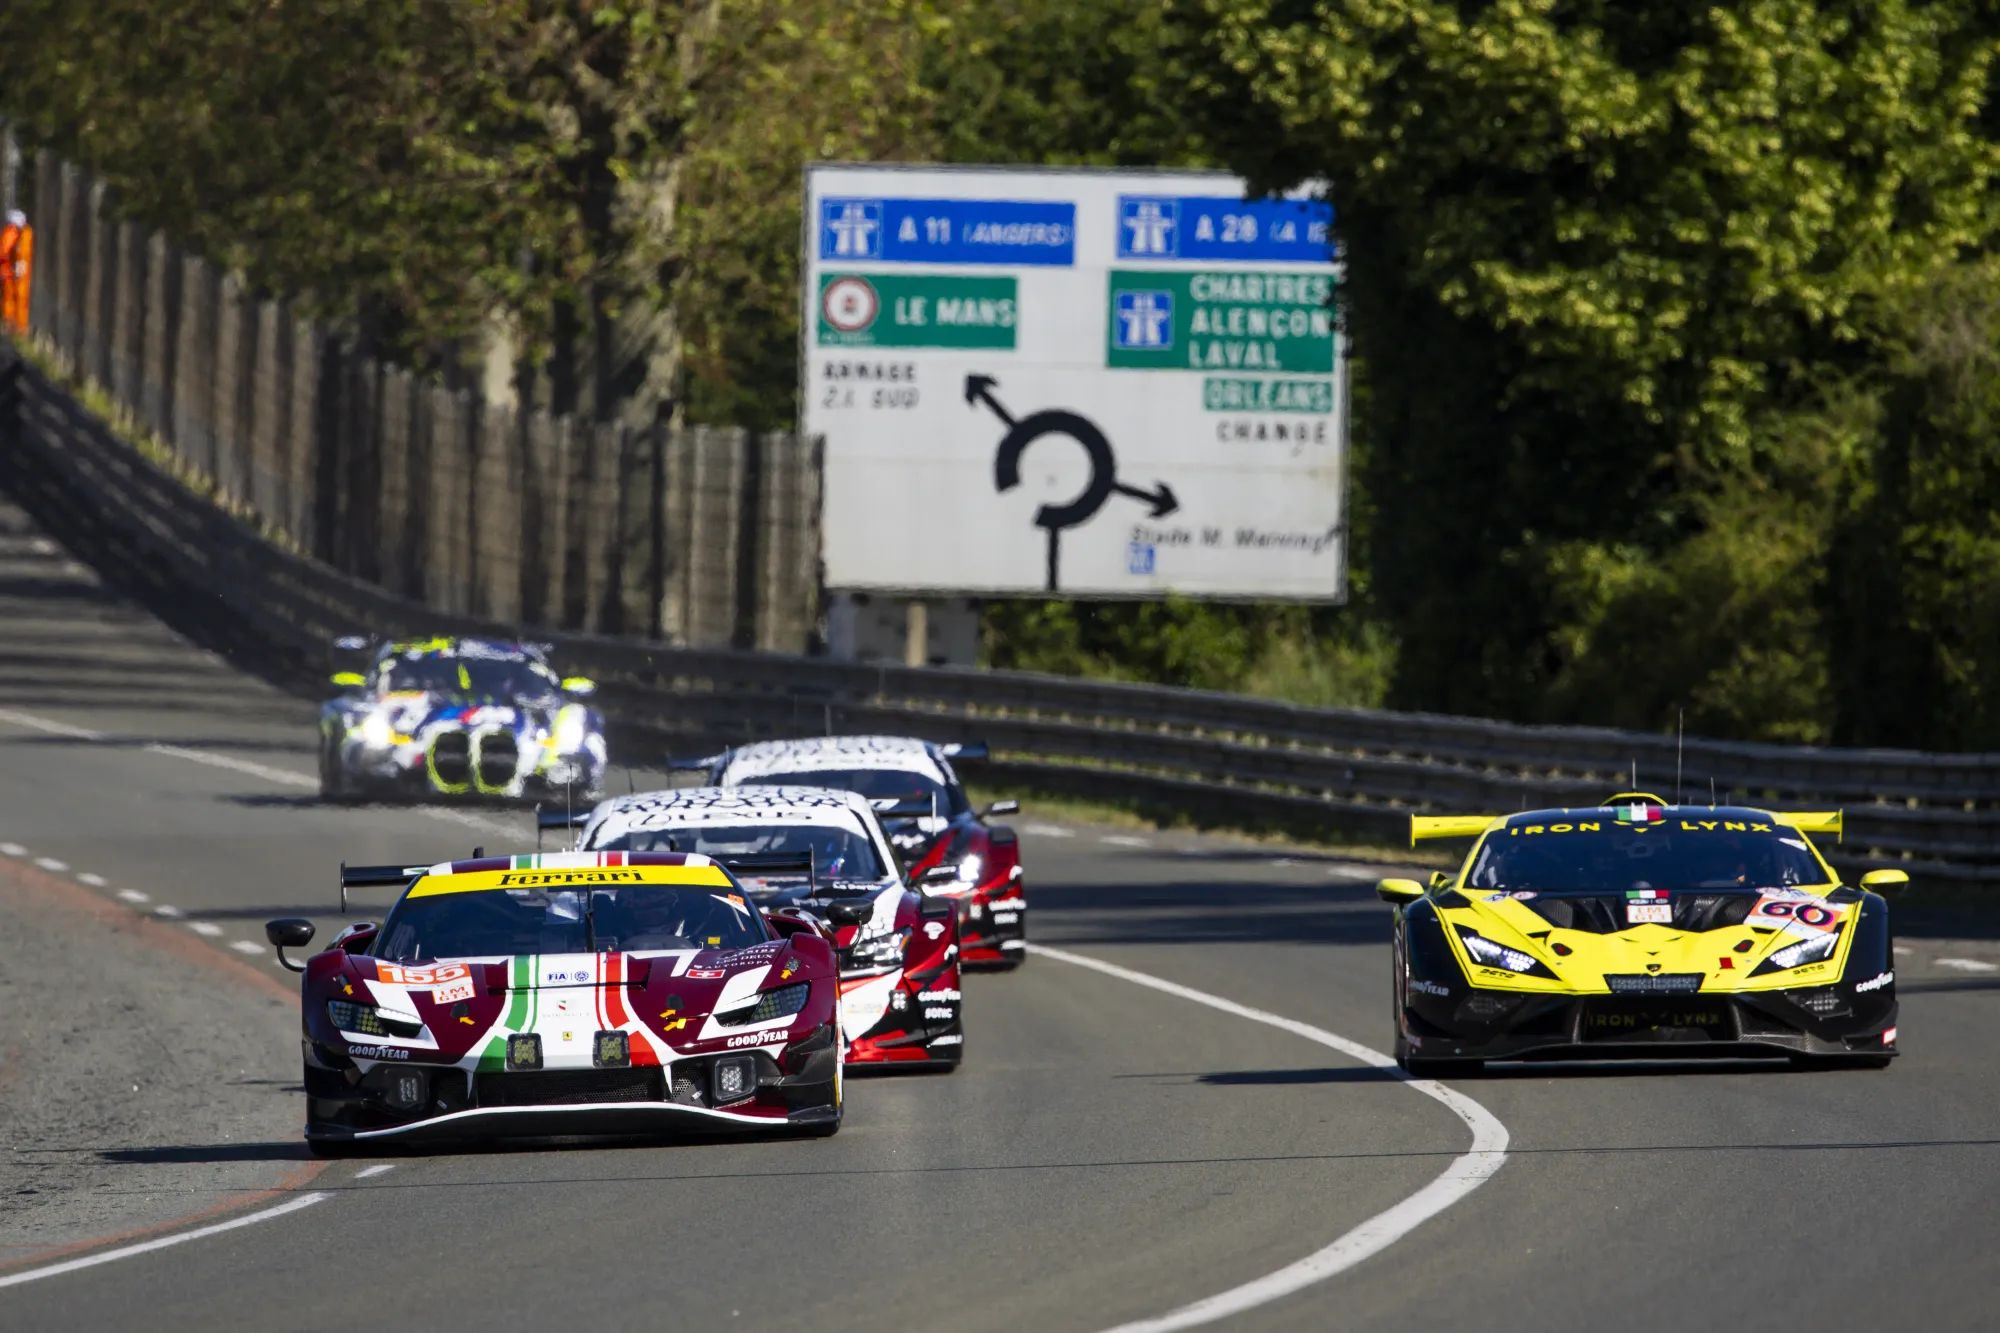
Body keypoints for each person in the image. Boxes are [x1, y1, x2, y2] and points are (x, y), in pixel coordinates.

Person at [0, 209, 31, 334]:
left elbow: (5, 251)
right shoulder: (18, 233)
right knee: (13, 296)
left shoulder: (21, 234)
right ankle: (13, 323)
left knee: (18, 296)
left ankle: (17, 324)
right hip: (12, 269)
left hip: (17, 268)